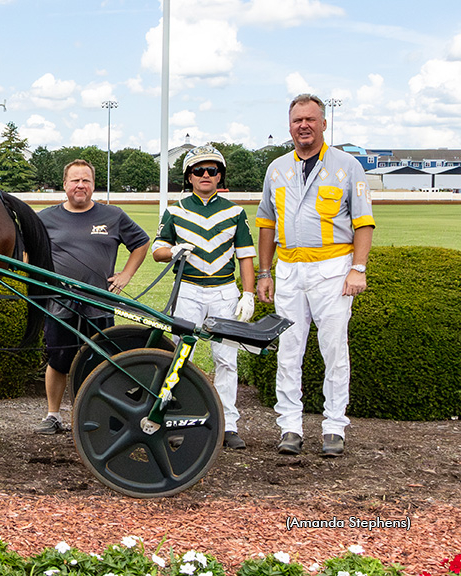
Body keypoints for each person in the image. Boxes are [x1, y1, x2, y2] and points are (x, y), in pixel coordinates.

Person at [256, 94, 375, 458]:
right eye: (297, 120)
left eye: (310, 119)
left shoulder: (348, 166)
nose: (303, 126)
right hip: (290, 270)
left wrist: (358, 268)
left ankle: (334, 426)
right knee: (288, 352)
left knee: (334, 350)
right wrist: (264, 272)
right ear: (289, 126)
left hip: (333, 270)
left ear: (324, 123)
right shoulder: (276, 168)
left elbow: (363, 221)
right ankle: (289, 426)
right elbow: (265, 223)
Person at [152, 144, 257, 450]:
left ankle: (228, 423)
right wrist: (172, 251)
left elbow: (246, 256)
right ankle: (174, 419)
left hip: (224, 291)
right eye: (199, 170)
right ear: (189, 176)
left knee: (226, 359)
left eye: (212, 170)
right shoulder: (175, 210)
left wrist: (247, 293)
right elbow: (157, 250)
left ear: (220, 174)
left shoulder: (235, 211)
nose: (206, 175)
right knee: (179, 356)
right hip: (187, 291)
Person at [34, 159, 149, 434]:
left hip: (99, 303)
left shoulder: (113, 216)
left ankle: (94, 415)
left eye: (85, 180)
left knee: (99, 361)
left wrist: (126, 275)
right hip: (59, 303)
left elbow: (142, 243)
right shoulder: (44, 218)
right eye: (75, 180)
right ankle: (53, 415)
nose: (80, 185)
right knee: (58, 360)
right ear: (64, 185)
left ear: (93, 185)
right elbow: (28, 253)